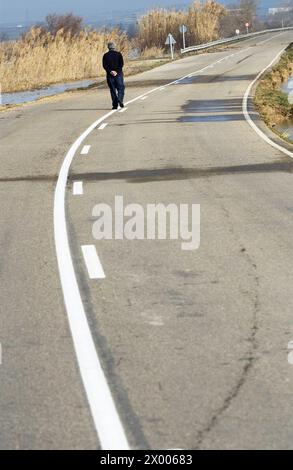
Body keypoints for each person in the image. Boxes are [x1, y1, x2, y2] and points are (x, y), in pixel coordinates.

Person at [103, 42, 125, 110]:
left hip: (110, 75)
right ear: (114, 47)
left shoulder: (105, 55)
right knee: (121, 88)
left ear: (108, 47)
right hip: (118, 74)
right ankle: (120, 100)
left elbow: (104, 65)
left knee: (112, 90)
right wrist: (116, 71)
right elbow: (121, 64)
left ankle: (115, 105)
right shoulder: (118, 54)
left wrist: (110, 71)